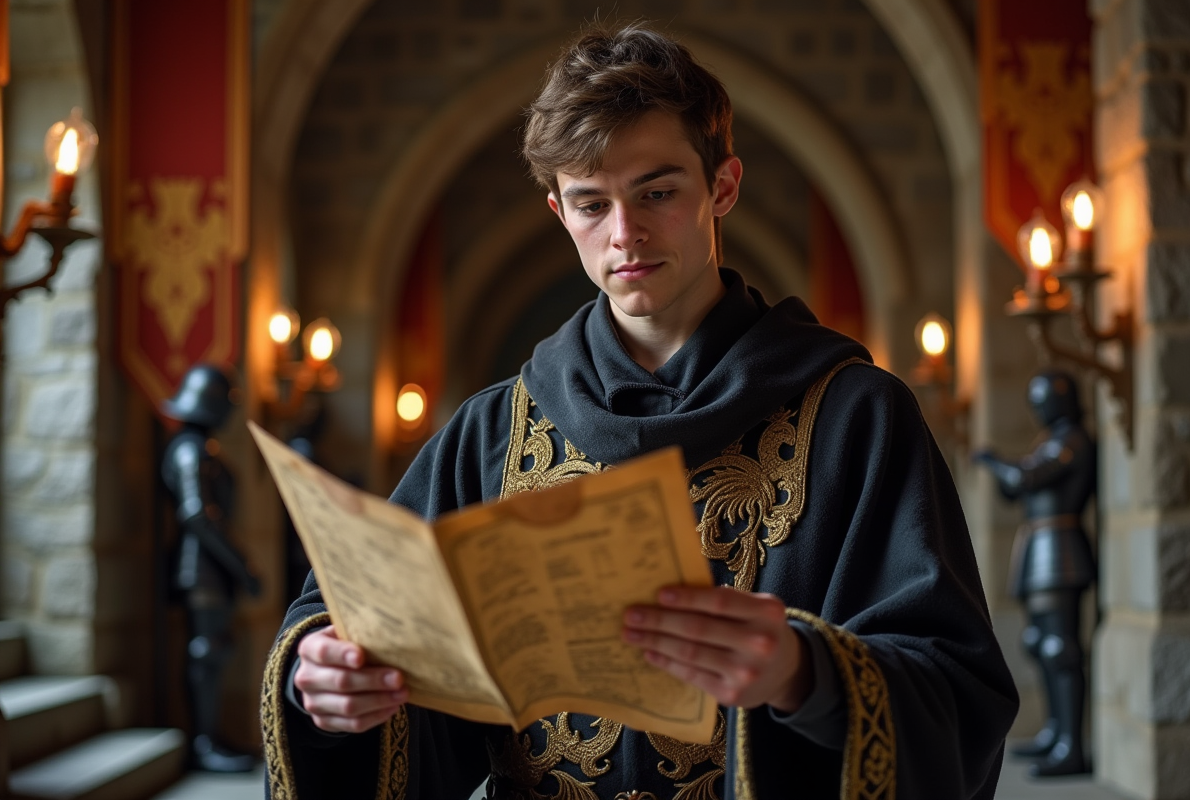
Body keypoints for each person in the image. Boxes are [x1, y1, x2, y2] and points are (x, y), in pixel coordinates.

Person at [262, 22, 1018, 799]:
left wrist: (806, 673)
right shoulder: (490, 434)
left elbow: (958, 692)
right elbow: (354, 625)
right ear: (560, 213)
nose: (625, 234)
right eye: (593, 204)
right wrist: (320, 674)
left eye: (658, 192)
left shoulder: (860, 417)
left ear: (722, 186)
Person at [975, 370, 1096, 777]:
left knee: (1059, 648)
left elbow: (1028, 476)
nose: (1037, 407)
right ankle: (1055, 731)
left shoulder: (1071, 440)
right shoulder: (1052, 441)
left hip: (1060, 549)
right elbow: (1020, 488)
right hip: (1040, 547)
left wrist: (993, 460)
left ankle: (1071, 745)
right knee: (1038, 642)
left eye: (1042, 398)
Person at [161, 363, 262, 772]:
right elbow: (198, 514)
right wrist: (240, 565)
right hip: (199, 566)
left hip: (208, 566)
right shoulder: (190, 449)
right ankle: (203, 743)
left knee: (216, 650)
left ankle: (212, 736)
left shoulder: (201, 447)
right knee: (208, 653)